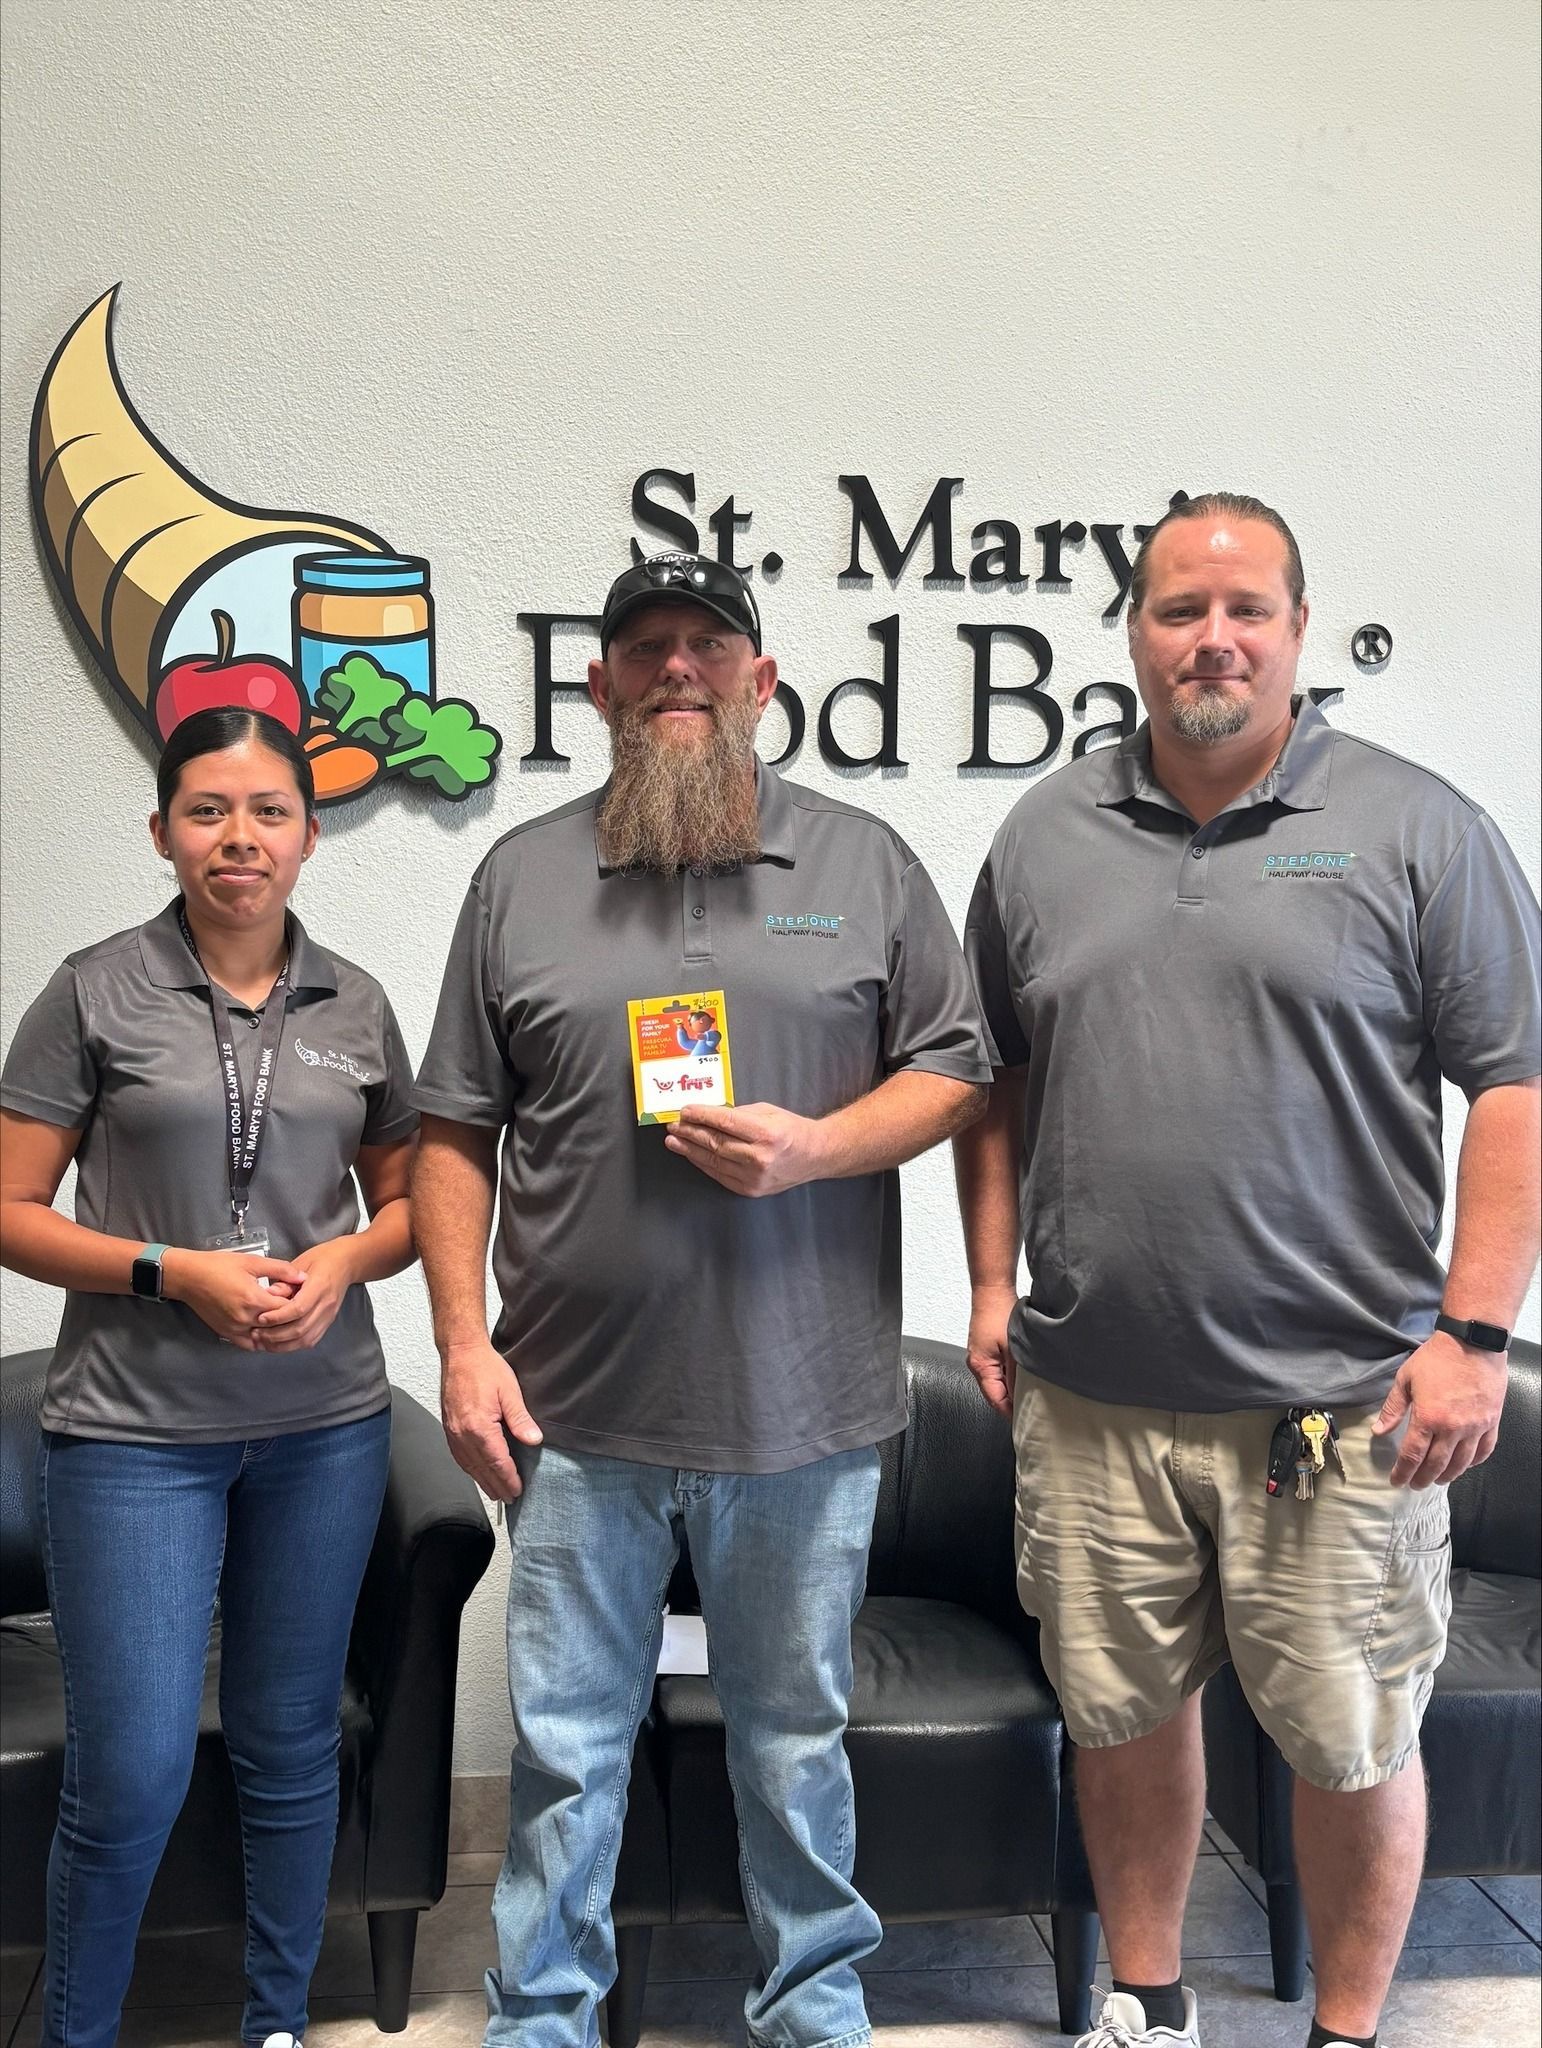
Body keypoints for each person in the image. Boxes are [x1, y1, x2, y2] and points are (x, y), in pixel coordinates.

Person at [954, 493, 1541, 2048]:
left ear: (1294, 630)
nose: (1210, 637)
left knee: (1349, 1742)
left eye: (1243, 609)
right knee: (1122, 1715)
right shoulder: (1040, 836)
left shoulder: (1420, 830)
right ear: (1132, 633)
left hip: (1340, 1409)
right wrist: (986, 1285)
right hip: (1092, 1400)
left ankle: (1345, 2033)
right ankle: (1148, 2011)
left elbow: (1516, 1088)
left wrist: (1472, 1332)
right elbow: (994, 1081)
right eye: (1174, 608)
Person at [412, 551, 990, 2048]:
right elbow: (454, 1133)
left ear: (762, 682)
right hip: (573, 1413)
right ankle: (541, 2015)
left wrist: (815, 1148)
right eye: (646, 648)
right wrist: (461, 1351)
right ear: (597, 687)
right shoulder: (518, 877)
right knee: (561, 1749)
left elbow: (952, 1070)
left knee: (795, 1742)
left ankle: (811, 2010)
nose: (679, 669)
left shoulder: (861, 864)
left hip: (803, 1410)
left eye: (708, 647)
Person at [0, 707, 420, 2048]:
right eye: (207, 812)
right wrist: (166, 1271)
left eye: (269, 813)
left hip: (323, 1434)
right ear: (163, 831)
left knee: (290, 1748)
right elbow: (11, 1207)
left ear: (308, 832)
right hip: (131, 1442)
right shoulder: (91, 990)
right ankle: (78, 2034)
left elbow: (415, 1203)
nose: (240, 839)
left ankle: (278, 2023)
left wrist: (346, 1263)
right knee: (124, 1777)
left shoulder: (357, 1003)